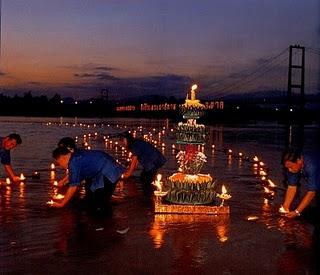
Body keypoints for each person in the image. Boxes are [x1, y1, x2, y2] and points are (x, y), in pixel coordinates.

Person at [49, 146, 126, 210]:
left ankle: (105, 224)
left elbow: (73, 187)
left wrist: (62, 204)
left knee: (101, 203)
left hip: (109, 172)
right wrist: (64, 181)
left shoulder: (73, 163)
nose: (61, 166)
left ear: (62, 158)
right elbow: (75, 173)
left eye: (59, 163)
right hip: (110, 168)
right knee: (94, 198)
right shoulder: (76, 154)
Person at [279, 147, 320, 218]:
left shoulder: (311, 166)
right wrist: (285, 207)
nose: (289, 170)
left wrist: (297, 212)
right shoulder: (294, 167)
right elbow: (292, 186)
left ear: (299, 160)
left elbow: (312, 192)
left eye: (291, 167)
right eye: (287, 168)